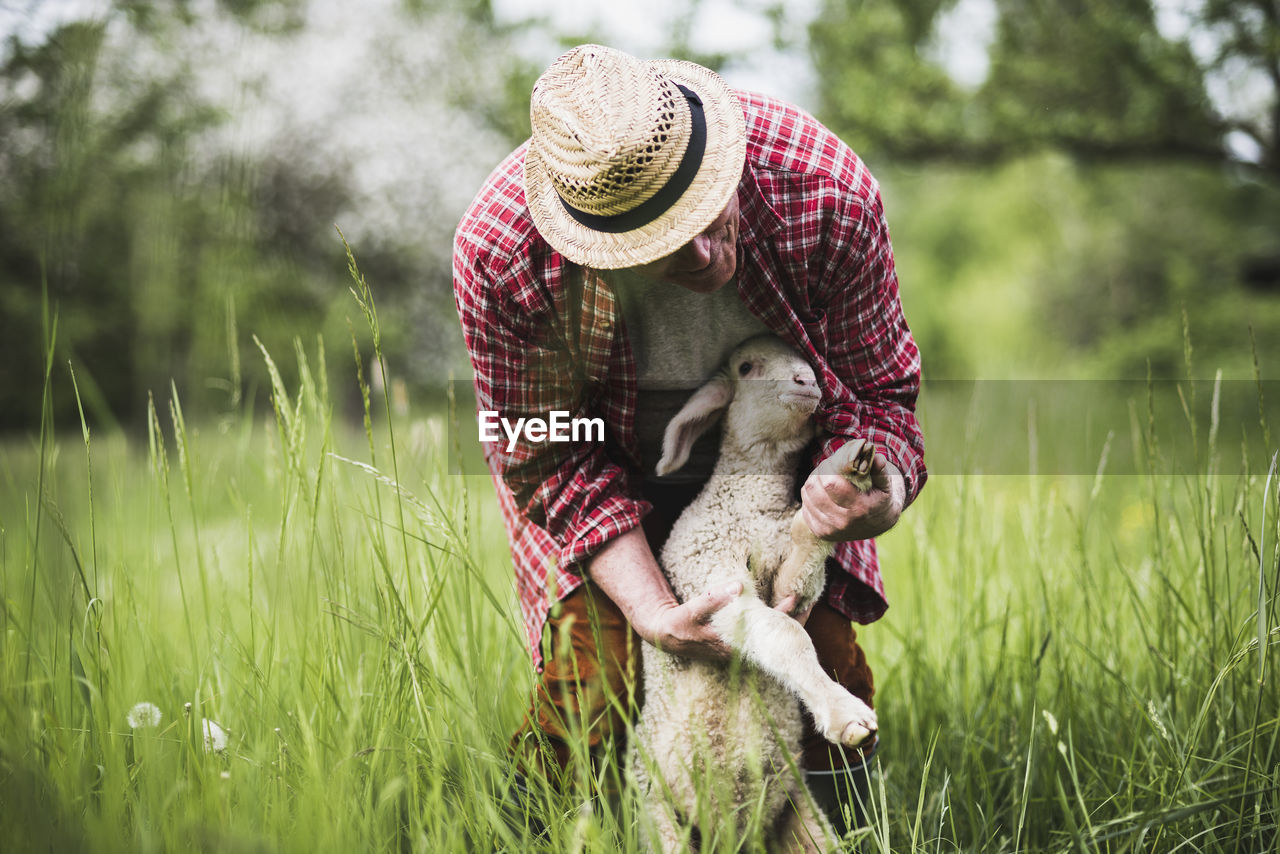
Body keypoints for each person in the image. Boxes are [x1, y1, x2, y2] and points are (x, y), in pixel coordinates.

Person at [453, 43, 926, 832]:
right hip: (606, 468)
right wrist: (650, 612)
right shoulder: (504, 254)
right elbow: (547, 452)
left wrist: (867, 496)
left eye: (703, 216)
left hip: (780, 484)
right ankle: (547, 834)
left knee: (823, 668)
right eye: (658, 248)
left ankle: (843, 830)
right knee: (592, 680)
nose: (702, 256)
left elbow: (880, 399)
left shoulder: (824, 188)